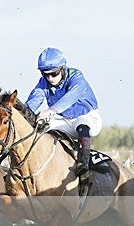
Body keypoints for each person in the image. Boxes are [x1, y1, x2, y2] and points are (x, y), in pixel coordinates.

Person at [25, 47, 107, 179]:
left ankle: (83, 164)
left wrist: (49, 111)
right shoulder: (43, 83)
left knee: (82, 123)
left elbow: (70, 98)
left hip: (88, 117)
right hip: (64, 120)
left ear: (63, 69)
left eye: (54, 73)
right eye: (45, 74)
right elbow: (32, 103)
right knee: (40, 128)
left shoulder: (77, 77)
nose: (50, 78)